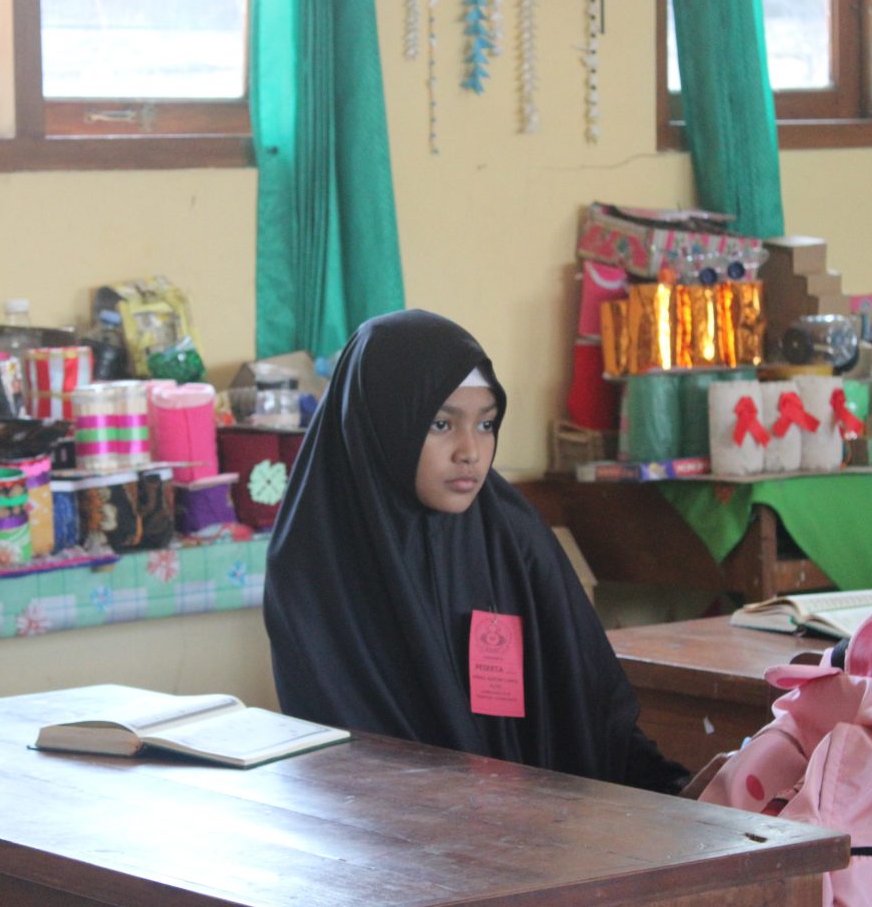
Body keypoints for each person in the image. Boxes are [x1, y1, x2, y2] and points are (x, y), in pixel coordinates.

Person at [263, 309, 691, 794]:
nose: (470, 450)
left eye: (486, 424)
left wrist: (678, 790)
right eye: (441, 424)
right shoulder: (315, 563)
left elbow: (588, 703)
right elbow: (348, 753)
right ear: (381, 423)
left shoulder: (513, 536)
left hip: (539, 817)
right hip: (385, 821)